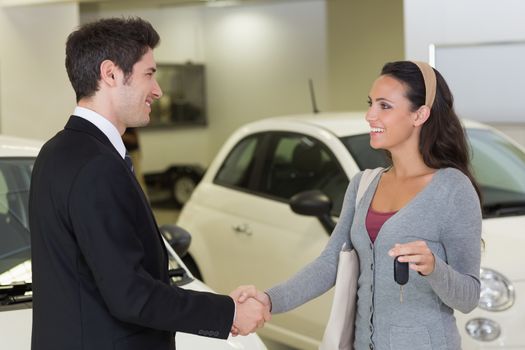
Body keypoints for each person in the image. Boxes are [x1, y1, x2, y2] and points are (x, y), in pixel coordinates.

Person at [28, 17, 268, 350]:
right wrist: (227, 313)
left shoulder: (55, 152)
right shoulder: (97, 166)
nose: (158, 91)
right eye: (149, 74)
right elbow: (131, 295)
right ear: (110, 73)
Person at [235, 60, 482, 349]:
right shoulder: (363, 184)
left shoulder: (453, 189)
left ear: (420, 115)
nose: (370, 115)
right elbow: (329, 265)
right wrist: (268, 299)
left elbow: (468, 297)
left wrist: (433, 267)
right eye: (371, 104)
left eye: (384, 106)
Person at [122, 127, 147, 193]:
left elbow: (133, 139)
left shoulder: (128, 123)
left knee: (137, 180)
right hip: (125, 152)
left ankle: (143, 201)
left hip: (132, 152)